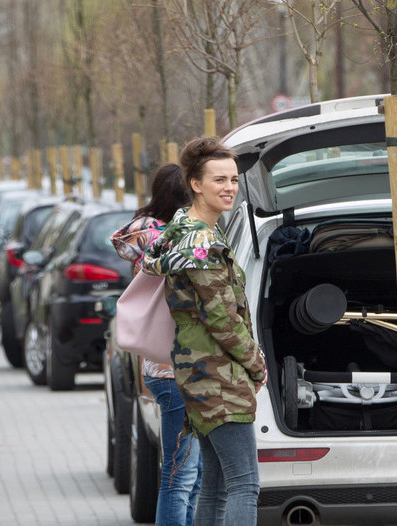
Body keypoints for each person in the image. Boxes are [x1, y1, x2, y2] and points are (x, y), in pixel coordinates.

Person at [143, 137, 267, 525]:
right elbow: (222, 318)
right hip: (218, 375)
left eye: (233, 178)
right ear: (195, 184)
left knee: (213, 484)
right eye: (219, 179)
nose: (229, 187)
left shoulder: (182, 230)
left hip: (196, 371)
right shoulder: (201, 243)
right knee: (245, 484)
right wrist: (257, 364)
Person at [111, 163, 201, 526]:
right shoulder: (172, 239)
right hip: (177, 364)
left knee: (187, 477)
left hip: (160, 365)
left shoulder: (143, 237)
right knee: (180, 477)